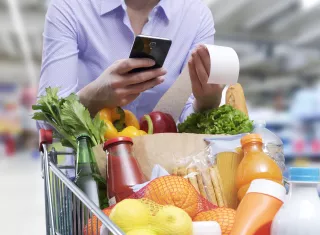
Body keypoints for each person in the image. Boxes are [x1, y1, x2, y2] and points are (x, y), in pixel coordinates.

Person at [38, 0, 223, 124]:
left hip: (162, 170)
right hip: (86, 167)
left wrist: (205, 103)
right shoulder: (70, 7)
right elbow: (46, 119)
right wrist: (93, 98)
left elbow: (186, 117)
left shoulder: (196, 16)